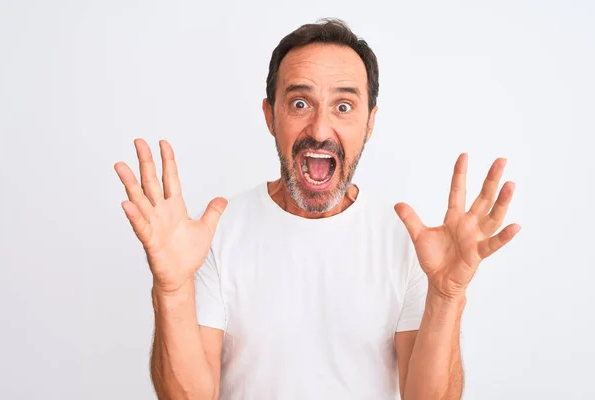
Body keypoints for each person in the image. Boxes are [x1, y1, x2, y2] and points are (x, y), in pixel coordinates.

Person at [114, 18, 519, 400]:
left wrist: (447, 294)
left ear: (369, 123)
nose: (321, 130)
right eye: (300, 104)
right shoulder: (211, 237)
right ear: (270, 115)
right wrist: (171, 290)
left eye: (343, 107)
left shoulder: (409, 244)